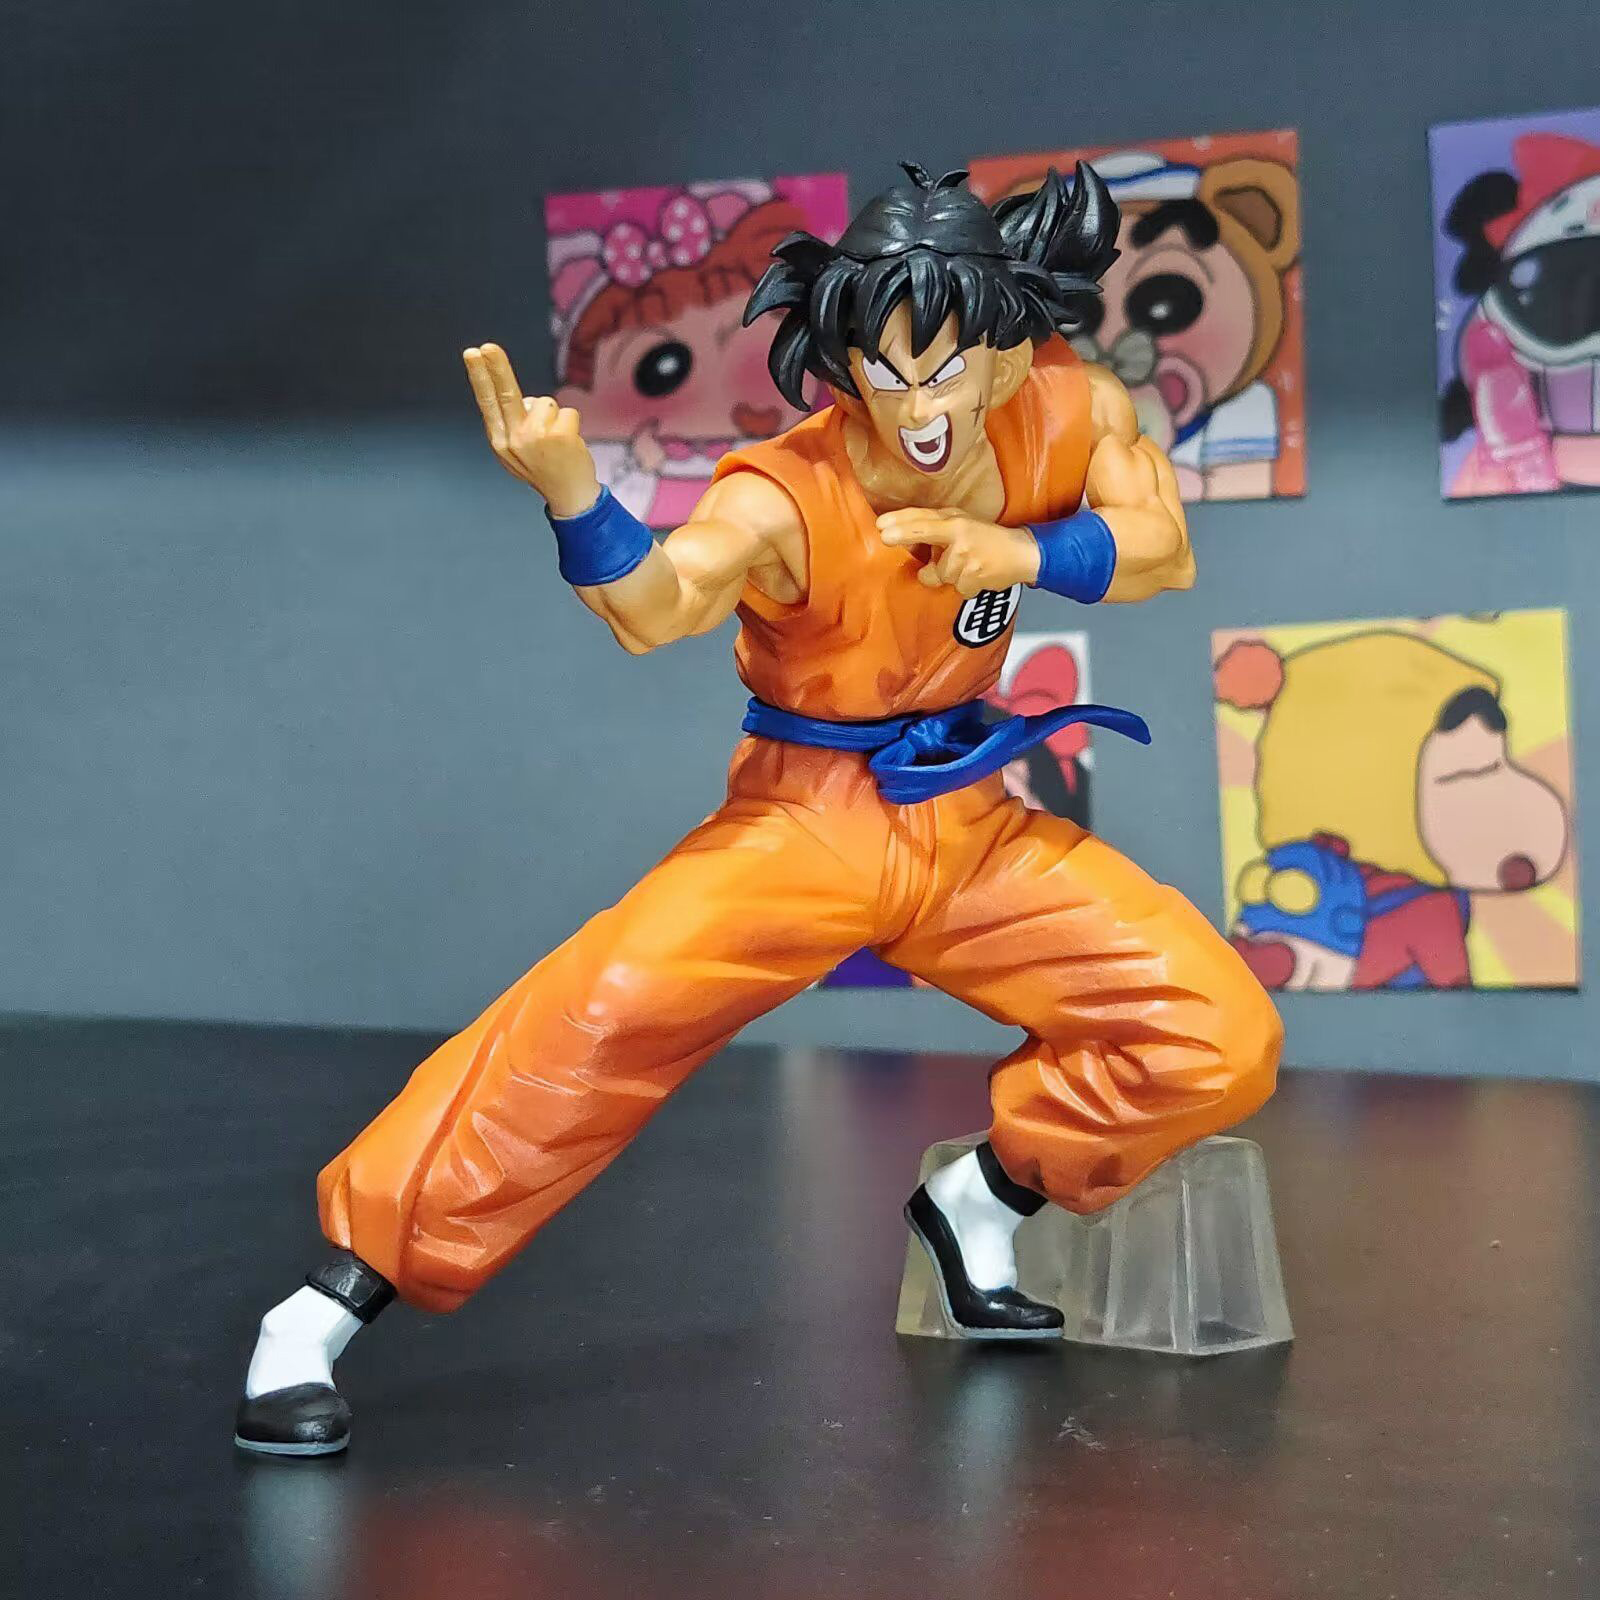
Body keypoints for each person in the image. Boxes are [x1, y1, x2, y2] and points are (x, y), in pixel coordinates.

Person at [235, 162, 1282, 1456]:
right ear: (842, 363)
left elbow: (1164, 550)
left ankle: (984, 1199)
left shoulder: (1070, 408)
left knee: (1216, 1033)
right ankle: (321, 1310)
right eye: (885, 371)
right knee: (600, 1013)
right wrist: (574, 494)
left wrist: (1022, 552)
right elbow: (656, 608)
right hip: (807, 821)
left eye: (948, 368)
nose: (919, 405)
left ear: (1009, 352)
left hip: (969, 817)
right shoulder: (783, 493)